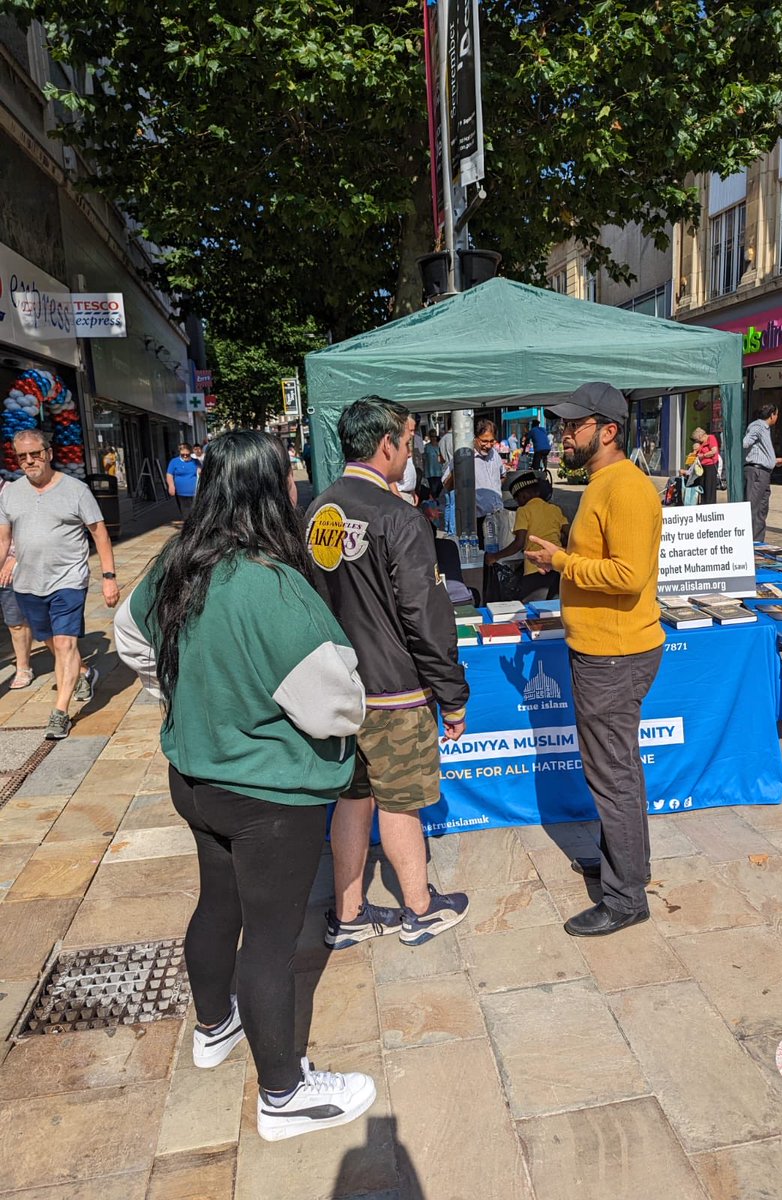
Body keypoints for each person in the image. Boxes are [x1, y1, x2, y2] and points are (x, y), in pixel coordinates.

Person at [114, 430, 374, 1143]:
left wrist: (181, 695)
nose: (296, 486)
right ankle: (284, 1094)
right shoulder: (270, 584)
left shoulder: (175, 561)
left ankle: (213, 1028)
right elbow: (334, 704)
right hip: (268, 797)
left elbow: (128, 637)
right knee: (269, 939)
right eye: (288, 476)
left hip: (195, 779)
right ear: (268, 490)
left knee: (217, 904)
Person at [305, 396, 470, 950]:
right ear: (386, 446)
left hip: (336, 688)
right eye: (409, 439)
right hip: (394, 691)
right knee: (399, 801)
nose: (412, 449)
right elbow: (426, 615)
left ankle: (348, 914)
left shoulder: (318, 509)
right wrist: (452, 694)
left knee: (352, 799)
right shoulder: (398, 517)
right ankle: (419, 909)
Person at [525, 382, 664, 939]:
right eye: (562, 424)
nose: (563, 433)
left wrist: (563, 562)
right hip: (606, 650)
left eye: (574, 425)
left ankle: (626, 897)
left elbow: (628, 578)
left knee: (612, 776)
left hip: (616, 653)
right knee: (617, 769)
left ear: (607, 431)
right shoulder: (604, 484)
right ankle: (626, 865)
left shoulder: (625, 488)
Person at [0, 430, 119, 739]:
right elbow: (3, 539)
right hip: (27, 583)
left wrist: (108, 578)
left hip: (68, 580)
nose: (29, 461)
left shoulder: (76, 490)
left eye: (35, 454)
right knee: (50, 640)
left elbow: (99, 533)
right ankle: (84, 673)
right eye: (22, 456)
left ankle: (60, 712)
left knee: (65, 643)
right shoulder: (10, 493)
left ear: (49, 453)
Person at [484, 471, 569, 602]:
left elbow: (518, 543)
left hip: (535, 569)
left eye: (517, 499)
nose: (517, 503)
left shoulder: (523, 511)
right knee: (552, 609)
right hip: (556, 567)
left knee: (531, 612)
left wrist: (495, 556)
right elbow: (568, 534)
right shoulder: (555, 509)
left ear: (523, 496)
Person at [442, 417, 507, 547]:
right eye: (484, 441)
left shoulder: (495, 454)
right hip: (477, 521)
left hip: (498, 516)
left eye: (491, 441)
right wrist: (459, 469)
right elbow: (447, 485)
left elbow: (503, 475)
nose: (488, 445)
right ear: (475, 438)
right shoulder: (464, 456)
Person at [0, 481, 33, 690]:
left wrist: (13, 559)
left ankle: (23, 667)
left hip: (8, 566)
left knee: (16, 621)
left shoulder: (14, 492)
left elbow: (30, 529)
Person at [743, 404, 782, 541]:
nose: (777, 418)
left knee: (762, 508)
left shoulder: (766, 429)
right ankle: (750, 540)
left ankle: (758, 541)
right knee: (753, 507)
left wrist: (773, 460)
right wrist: (748, 440)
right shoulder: (758, 426)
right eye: (777, 415)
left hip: (764, 472)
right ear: (772, 415)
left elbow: (761, 452)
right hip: (757, 472)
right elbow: (746, 442)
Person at [166, 443, 202, 518]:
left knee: (195, 513)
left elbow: (201, 473)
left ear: (190, 452)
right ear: (180, 452)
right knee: (186, 513)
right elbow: (169, 474)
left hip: (195, 493)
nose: (185, 456)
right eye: (183, 454)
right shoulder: (174, 462)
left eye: (187, 454)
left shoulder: (195, 462)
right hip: (181, 493)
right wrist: (171, 485)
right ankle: (189, 527)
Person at [692, 426, 720, 505]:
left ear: (701, 436)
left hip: (710, 465)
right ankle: (704, 503)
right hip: (702, 466)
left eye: (698, 439)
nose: (698, 441)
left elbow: (714, 451)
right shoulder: (702, 443)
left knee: (709, 486)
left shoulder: (711, 438)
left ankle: (710, 504)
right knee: (703, 486)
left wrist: (703, 455)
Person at [424, 431, 444, 499]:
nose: (434, 438)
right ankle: (434, 503)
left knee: (439, 489)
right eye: (432, 436)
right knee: (433, 490)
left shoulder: (439, 446)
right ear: (430, 437)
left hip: (439, 471)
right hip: (430, 472)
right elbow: (424, 459)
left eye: (435, 436)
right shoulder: (427, 447)